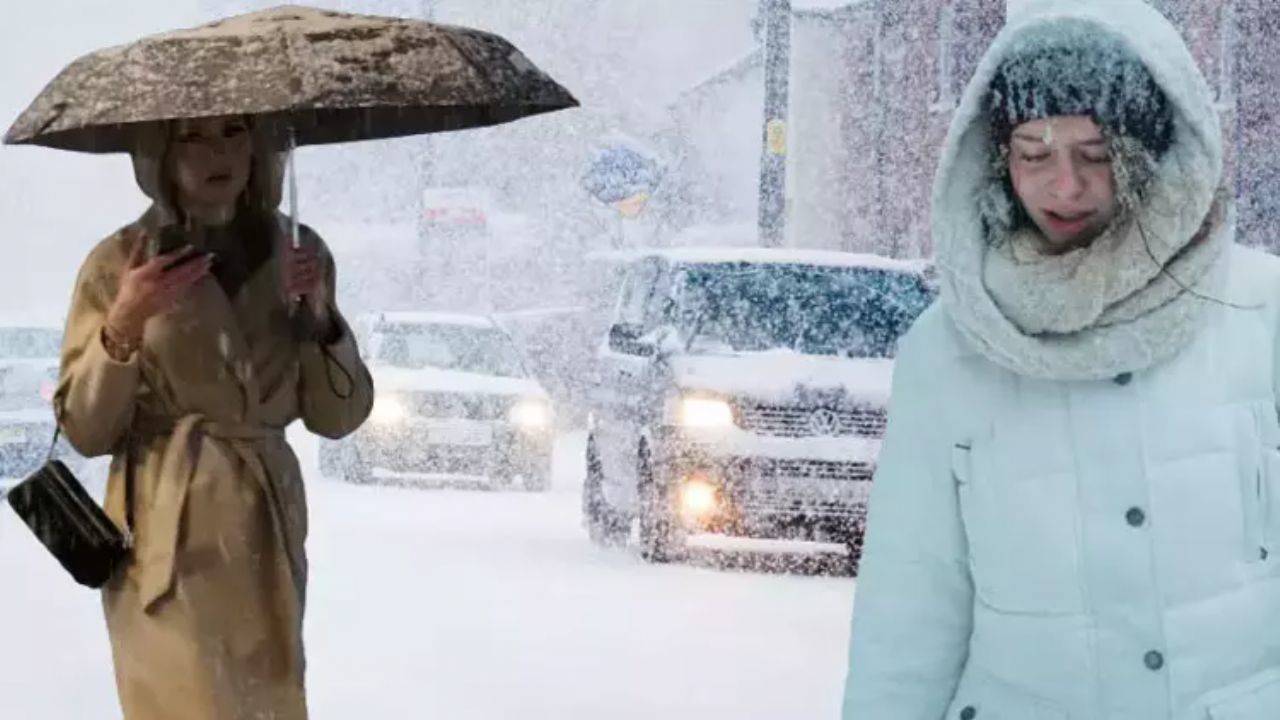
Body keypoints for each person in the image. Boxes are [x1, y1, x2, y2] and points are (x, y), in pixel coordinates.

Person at [842, 0, 1280, 717]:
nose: (1064, 186)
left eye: (1096, 155)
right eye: (1034, 154)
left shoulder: (1260, 313)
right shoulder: (948, 352)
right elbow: (911, 608)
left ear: (1151, 154)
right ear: (997, 160)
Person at [55, 114, 374, 719]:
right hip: (161, 528)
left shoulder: (300, 254)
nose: (218, 152)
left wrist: (321, 319)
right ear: (159, 154)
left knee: (265, 703)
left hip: (263, 526)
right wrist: (124, 322)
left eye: (234, 132)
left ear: (259, 146)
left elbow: (338, 418)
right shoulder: (119, 261)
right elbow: (85, 430)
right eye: (193, 138)